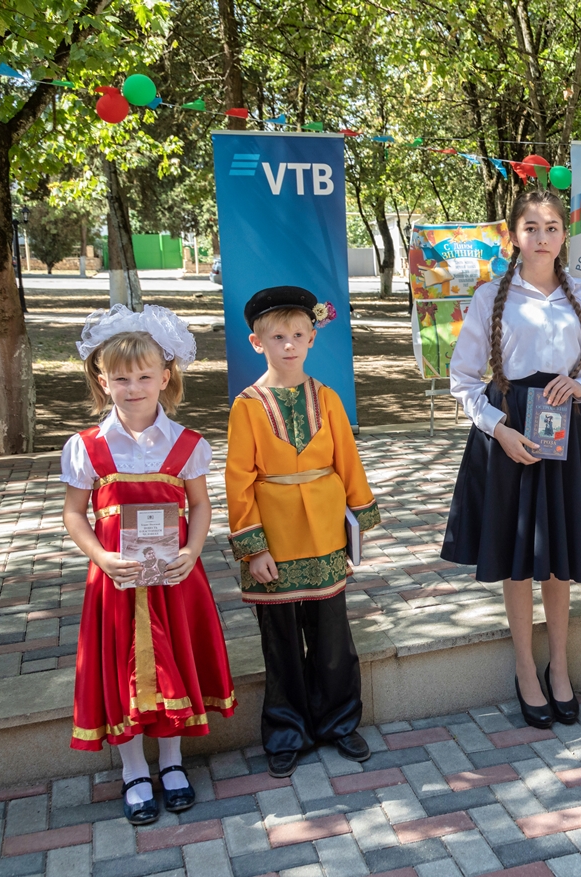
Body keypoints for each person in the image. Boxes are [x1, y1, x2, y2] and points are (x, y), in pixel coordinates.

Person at [443, 190, 581, 728]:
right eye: (531, 228)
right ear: (513, 235)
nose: (542, 238)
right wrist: (499, 430)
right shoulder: (489, 298)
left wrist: (580, 384)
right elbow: (463, 379)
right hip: (511, 436)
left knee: (559, 559)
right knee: (518, 558)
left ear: (564, 235)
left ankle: (559, 667)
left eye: (551, 228)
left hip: (567, 435)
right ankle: (525, 669)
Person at [61, 305, 235, 825]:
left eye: (143, 376)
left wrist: (193, 550)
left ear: (166, 376)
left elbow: (200, 505)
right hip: (116, 581)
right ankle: (134, 768)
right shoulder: (85, 447)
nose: (133, 387)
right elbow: (74, 513)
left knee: (176, 659)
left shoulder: (188, 445)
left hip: (176, 578)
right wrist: (103, 557)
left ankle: (174, 762)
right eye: (120, 378)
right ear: (102, 380)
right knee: (122, 670)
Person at [225, 286, 381, 778]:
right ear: (257, 343)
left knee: (333, 636)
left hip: (325, 537)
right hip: (276, 540)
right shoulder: (246, 406)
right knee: (282, 641)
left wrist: (360, 520)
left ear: (312, 338)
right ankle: (287, 730)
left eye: (297, 334)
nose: (288, 344)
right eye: (277, 336)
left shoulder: (328, 398)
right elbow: (238, 479)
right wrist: (253, 549)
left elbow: (348, 462)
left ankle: (338, 722)